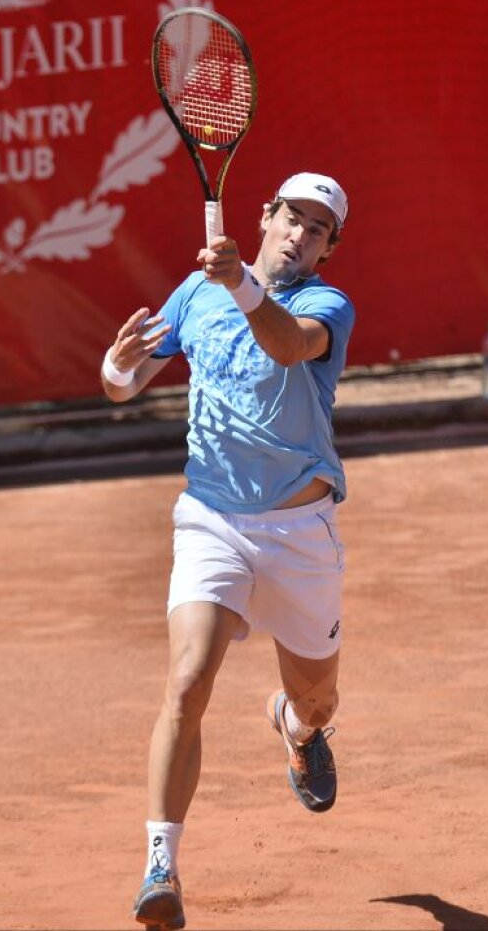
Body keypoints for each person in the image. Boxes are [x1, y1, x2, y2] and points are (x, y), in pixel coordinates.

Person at [100, 174, 355, 931]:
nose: (300, 235)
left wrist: (240, 281)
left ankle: (298, 728)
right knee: (187, 682)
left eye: (318, 230)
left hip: (299, 534)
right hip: (211, 519)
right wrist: (116, 366)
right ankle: (160, 865)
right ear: (266, 217)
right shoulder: (194, 294)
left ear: (327, 249)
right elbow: (125, 385)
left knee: (318, 699)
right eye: (292, 218)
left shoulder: (326, 306)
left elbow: (286, 346)